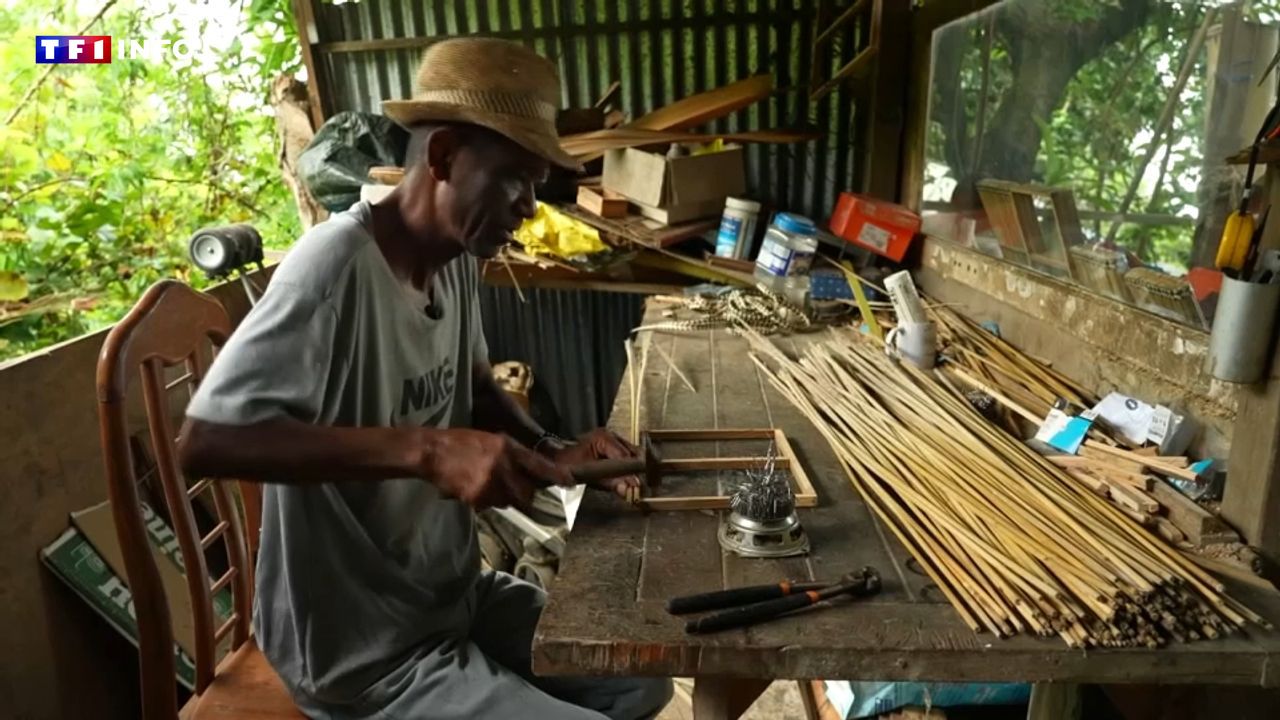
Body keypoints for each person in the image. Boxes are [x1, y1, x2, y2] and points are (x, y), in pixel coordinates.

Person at [178, 38, 673, 720]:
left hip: (448, 595)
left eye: (535, 183)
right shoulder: (332, 268)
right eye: (513, 179)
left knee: (643, 680)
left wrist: (550, 447)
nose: (530, 207)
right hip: (358, 647)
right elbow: (205, 442)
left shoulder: (456, 257)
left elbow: (471, 388)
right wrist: (428, 450)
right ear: (441, 157)